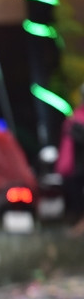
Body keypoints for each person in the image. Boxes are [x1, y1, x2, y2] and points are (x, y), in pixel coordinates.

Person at [55, 85, 84, 236]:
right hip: (73, 167)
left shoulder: (74, 117)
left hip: (73, 166)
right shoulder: (76, 116)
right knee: (75, 198)